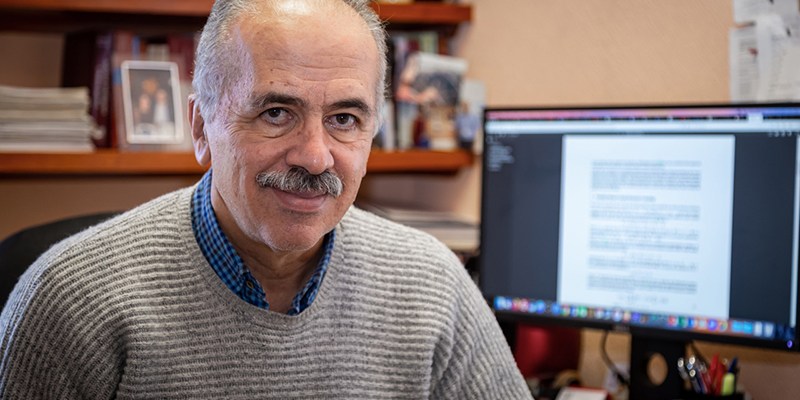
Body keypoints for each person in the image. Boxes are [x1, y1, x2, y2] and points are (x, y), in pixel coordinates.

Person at [0, 0, 532, 398]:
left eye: (344, 118)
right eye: (276, 113)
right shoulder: (72, 300)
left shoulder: (432, 286)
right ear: (201, 128)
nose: (316, 157)